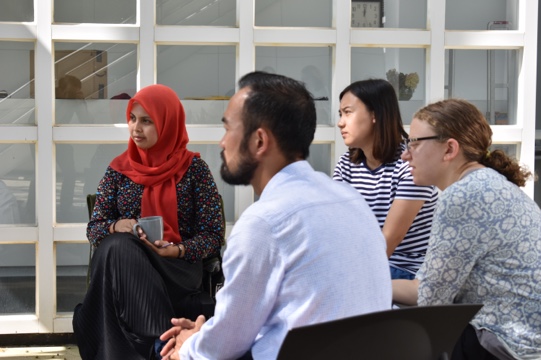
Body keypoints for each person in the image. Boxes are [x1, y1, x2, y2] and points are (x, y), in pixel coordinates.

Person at [158, 72, 392, 360]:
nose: (222, 143)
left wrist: (188, 346)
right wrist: (205, 334)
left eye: (228, 128)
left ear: (259, 141)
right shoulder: (353, 202)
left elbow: (223, 347)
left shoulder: (265, 223)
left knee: (165, 348)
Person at [72, 84, 224, 360]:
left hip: (175, 268)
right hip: (128, 269)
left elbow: (213, 236)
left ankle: (155, 345)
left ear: (168, 123)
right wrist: (116, 226)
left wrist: (175, 249)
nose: (135, 128)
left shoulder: (195, 170)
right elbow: (94, 229)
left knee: (117, 250)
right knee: (118, 245)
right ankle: (160, 344)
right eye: (132, 119)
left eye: (146, 121)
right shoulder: (119, 170)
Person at [392, 99, 541, 359]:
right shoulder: (490, 183)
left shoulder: (464, 195)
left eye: (414, 143)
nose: (405, 154)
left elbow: (430, 300)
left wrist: (368, 284)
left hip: (504, 345)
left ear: (449, 149)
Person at [333, 79, 439, 280]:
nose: (340, 122)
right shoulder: (347, 163)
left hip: (406, 270)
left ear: (375, 115)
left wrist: (347, 277)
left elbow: (390, 240)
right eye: (340, 114)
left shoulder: (410, 163)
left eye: (348, 112)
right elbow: (337, 226)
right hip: (366, 261)